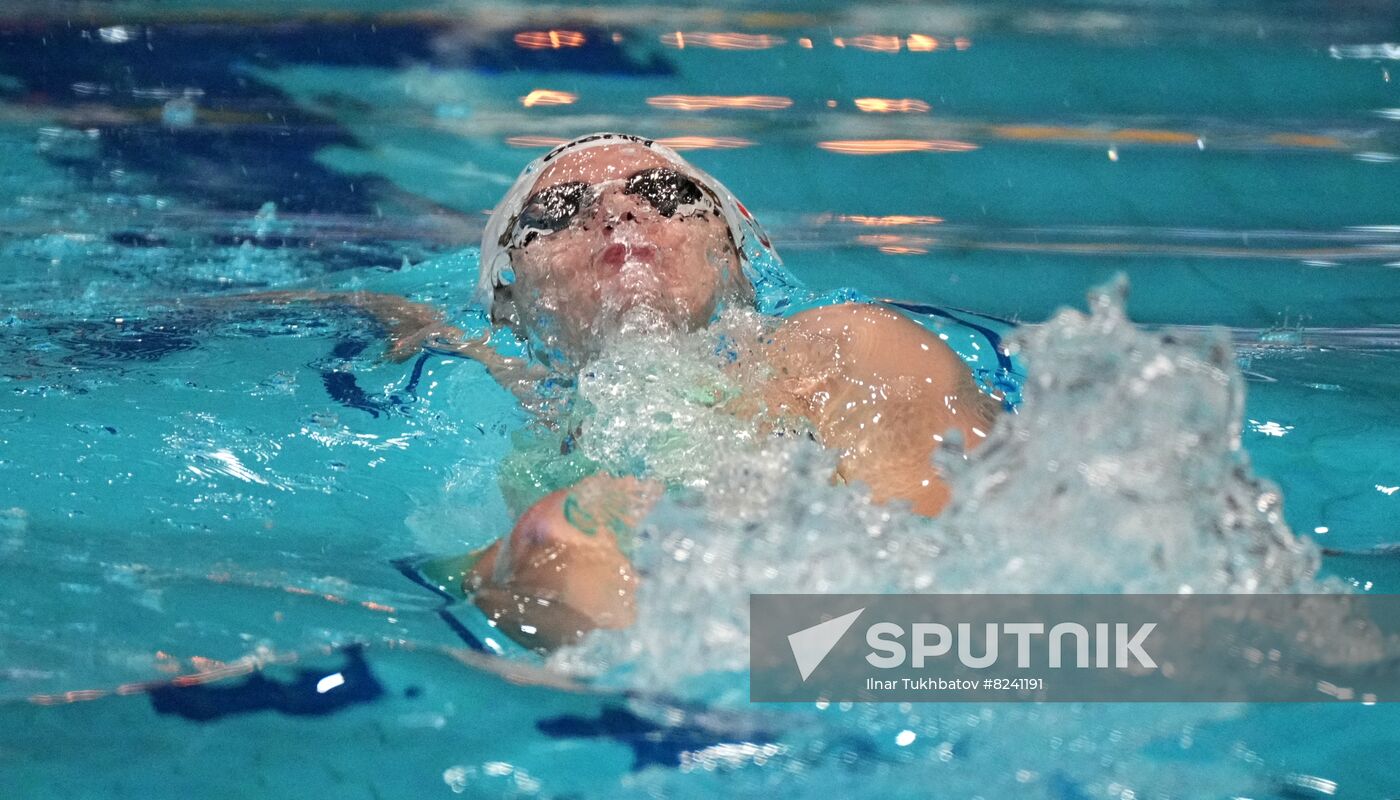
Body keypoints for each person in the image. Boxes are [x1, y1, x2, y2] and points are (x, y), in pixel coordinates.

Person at [245, 133, 999, 650]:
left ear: (737, 257)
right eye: (556, 213)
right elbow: (405, 318)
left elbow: (946, 599)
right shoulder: (511, 387)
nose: (615, 211)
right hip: (676, 671)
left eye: (665, 191)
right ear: (511, 301)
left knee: (565, 531)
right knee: (554, 536)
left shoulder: (847, 346)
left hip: (875, 673)